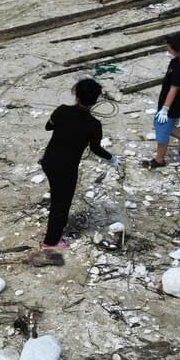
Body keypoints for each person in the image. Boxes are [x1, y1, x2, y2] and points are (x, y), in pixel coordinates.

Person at [38, 78, 117, 251]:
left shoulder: (62, 111)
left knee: (57, 197)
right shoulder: (94, 125)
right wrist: (112, 158)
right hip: (66, 168)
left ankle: (52, 228)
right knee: (62, 204)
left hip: (49, 161)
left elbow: (48, 127)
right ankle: (50, 243)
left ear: (76, 94)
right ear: (95, 100)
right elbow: (96, 149)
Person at [146, 31, 180, 169]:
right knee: (166, 125)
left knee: (161, 126)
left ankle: (159, 160)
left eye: (169, 46)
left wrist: (165, 109)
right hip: (176, 101)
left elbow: (174, 89)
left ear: (177, 48)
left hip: (175, 103)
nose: (167, 49)